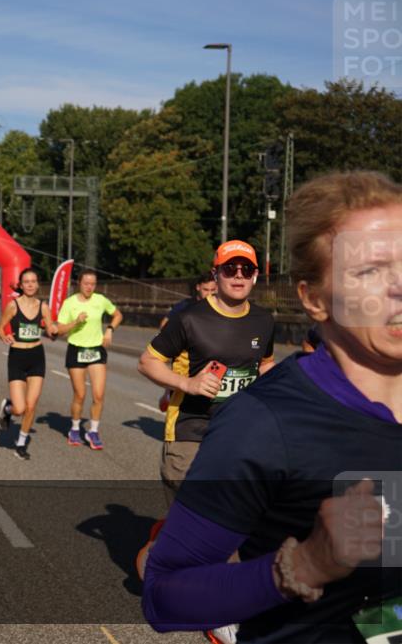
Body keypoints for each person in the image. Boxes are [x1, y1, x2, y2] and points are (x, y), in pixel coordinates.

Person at [143, 170, 401, 643]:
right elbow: (163, 595)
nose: (399, 287)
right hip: (198, 433)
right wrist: (305, 565)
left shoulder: (260, 321)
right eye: (369, 271)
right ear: (315, 299)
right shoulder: (265, 424)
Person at [138, 240, 276, 503]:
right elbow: (147, 362)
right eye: (230, 268)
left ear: (255, 276)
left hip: (240, 433)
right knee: (190, 522)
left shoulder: (264, 321)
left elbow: (265, 364)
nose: (238, 275)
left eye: (246, 269)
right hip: (191, 431)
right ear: (216, 274)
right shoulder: (189, 319)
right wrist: (187, 384)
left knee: (232, 525)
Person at [55, 268, 123, 450]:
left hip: (96, 351)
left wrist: (109, 329)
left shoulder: (100, 300)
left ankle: (93, 431)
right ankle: (75, 429)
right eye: (86, 283)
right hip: (76, 350)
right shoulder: (69, 303)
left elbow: (117, 315)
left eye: (93, 284)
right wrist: (76, 322)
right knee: (80, 394)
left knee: (99, 395)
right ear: (79, 283)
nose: (89, 287)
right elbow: (59, 330)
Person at [0, 268, 58, 459]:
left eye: (33, 281)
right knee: (20, 408)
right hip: (17, 357)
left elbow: (51, 331)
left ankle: (21, 443)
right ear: (21, 285)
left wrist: (54, 331)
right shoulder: (13, 306)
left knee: (31, 406)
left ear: (38, 284)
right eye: (26, 282)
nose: (30, 285)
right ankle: (8, 408)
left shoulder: (43, 307)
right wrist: (4, 336)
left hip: (37, 357)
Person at [157, 272, 218, 411]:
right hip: (185, 356)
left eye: (212, 290)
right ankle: (169, 396)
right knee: (181, 393)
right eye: (205, 290)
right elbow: (164, 324)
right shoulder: (184, 306)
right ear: (198, 287)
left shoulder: (219, 306)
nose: (209, 294)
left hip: (209, 353)